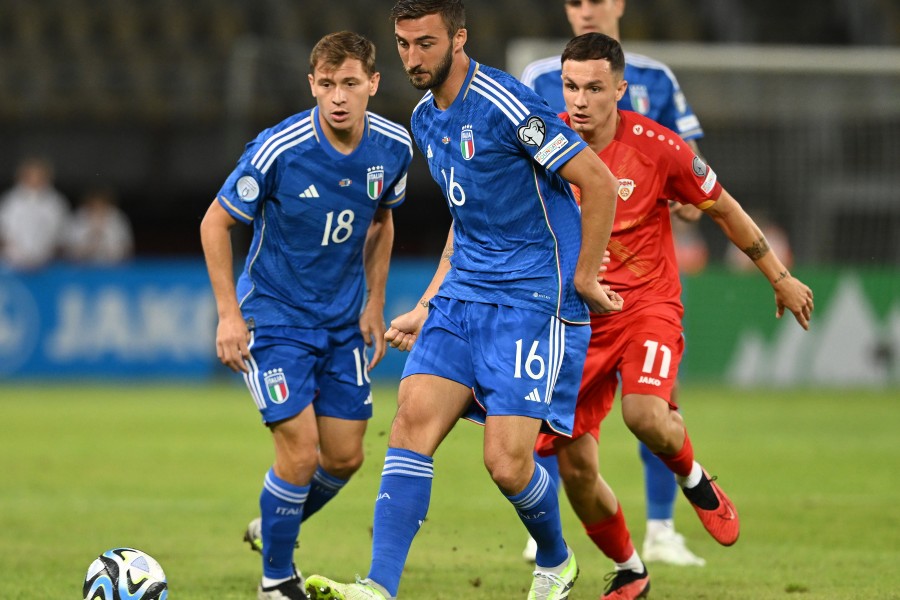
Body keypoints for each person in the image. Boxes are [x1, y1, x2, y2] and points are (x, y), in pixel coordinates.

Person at [304, 1, 623, 599]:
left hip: (533, 298)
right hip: (464, 296)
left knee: (506, 464)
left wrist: (583, 278)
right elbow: (464, 216)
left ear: (459, 38)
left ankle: (555, 559)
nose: (411, 57)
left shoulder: (507, 106)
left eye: (425, 43)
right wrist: (429, 301)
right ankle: (378, 587)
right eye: (402, 44)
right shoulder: (425, 118)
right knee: (409, 423)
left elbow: (598, 181)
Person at [534, 33, 814, 599]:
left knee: (645, 416)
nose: (581, 100)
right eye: (570, 87)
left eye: (594, 88)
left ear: (620, 89)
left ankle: (693, 478)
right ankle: (632, 570)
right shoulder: (542, 140)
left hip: (646, 306)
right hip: (573, 321)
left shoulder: (658, 147)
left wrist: (779, 276)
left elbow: (724, 209)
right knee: (576, 468)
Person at [199, 31, 413, 600]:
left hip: (343, 322)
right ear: (311, 85)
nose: (337, 96)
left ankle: (272, 523)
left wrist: (373, 302)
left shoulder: (393, 147)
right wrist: (228, 316)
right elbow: (215, 223)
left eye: (349, 83)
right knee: (299, 451)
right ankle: (276, 579)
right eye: (326, 84)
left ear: (373, 83)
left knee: (344, 457)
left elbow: (383, 221)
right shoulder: (279, 148)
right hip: (274, 318)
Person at [519, 0, 708, 566]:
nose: (587, 10)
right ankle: (548, 529)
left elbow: (690, 165)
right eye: (576, 1)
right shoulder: (538, 78)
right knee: (552, 408)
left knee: (652, 401)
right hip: (566, 276)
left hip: (642, 271)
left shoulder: (654, 78)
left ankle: (660, 528)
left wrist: (679, 193)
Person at [0, 156, 70, 270]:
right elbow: (4, 231)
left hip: (47, 263)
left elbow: (61, 233)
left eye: (39, 175)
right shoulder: (10, 201)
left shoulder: (56, 203)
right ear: (23, 176)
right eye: (31, 175)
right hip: (12, 262)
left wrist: (45, 253)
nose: (35, 179)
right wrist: (17, 253)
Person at [64, 186, 135, 264]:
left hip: (113, 268)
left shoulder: (117, 218)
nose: (98, 208)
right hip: (83, 267)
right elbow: (68, 248)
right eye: (94, 205)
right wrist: (90, 240)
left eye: (101, 205)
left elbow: (127, 247)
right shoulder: (79, 218)